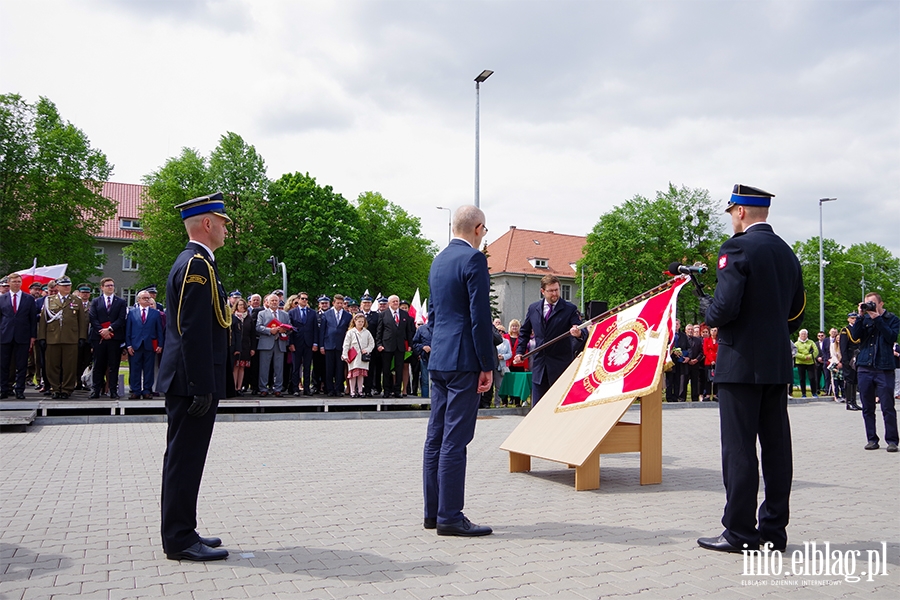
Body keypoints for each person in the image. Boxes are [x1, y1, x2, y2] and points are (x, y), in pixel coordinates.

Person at [697, 184, 805, 554]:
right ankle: (774, 531)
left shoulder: (736, 248)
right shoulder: (788, 254)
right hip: (775, 362)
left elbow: (725, 307)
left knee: (739, 448)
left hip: (739, 362)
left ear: (740, 211)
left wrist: (709, 311)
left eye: (730, 212)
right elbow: (796, 314)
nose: (731, 219)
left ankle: (740, 532)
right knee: (777, 448)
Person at [157, 192, 232, 562]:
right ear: (207, 223)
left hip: (189, 381)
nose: (226, 229)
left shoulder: (199, 262)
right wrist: (202, 385)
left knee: (184, 459)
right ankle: (179, 538)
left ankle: (183, 529)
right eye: (222, 222)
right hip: (191, 383)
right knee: (184, 461)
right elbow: (192, 330)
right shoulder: (196, 265)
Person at [423, 205, 495, 537]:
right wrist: (487, 364)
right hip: (465, 360)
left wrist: (438, 349)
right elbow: (480, 318)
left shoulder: (437, 261)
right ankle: (451, 516)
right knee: (455, 439)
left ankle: (433, 513)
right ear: (478, 228)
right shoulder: (474, 260)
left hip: (439, 358)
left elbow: (434, 316)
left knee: (435, 438)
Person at [513, 274, 586, 405]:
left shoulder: (569, 309)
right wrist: (520, 351)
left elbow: (580, 329)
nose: (555, 294)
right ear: (542, 291)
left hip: (560, 367)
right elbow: (524, 332)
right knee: (538, 408)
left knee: (558, 407)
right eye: (551, 291)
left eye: (557, 290)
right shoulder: (533, 308)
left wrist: (578, 332)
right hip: (540, 367)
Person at [849, 293, 899, 452]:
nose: (869, 306)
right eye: (866, 303)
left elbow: (891, 337)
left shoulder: (892, 319)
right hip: (865, 367)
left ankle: (892, 440)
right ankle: (871, 439)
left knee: (887, 406)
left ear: (881, 303)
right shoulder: (863, 319)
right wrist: (860, 315)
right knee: (867, 406)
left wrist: (877, 318)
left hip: (884, 367)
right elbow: (855, 336)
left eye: (872, 303)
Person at [37, 277, 88, 400]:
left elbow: (82, 321)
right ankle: (55, 388)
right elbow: (44, 321)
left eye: (69, 285)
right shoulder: (49, 301)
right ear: (58, 287)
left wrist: (82, 337)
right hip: (52, 337)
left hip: (71, 338)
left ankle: (66, 389)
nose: (67, 288)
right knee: (52, 365)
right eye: (64, 285)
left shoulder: (76, 300)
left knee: (69, 366)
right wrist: (42, 337)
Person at [0, 273, 38, 400]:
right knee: (4, 364)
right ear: (9, 283)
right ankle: (4, 389)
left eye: (18, 281)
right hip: (5, 335)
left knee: (22, 365)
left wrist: (33, 336)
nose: (17, 284)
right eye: (14, 281)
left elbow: (32, 319)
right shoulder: (2, 298)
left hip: (23, 336)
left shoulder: (28, 299)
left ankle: (20, 390)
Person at [88, 278, 127, 398]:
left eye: (112, 285)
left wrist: (109, 329)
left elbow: (121, 319)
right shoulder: (96, 301)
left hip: (114, 338)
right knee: (98, 364)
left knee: (114, 365)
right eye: (108, 285)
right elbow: (93, 318)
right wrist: (102, 331)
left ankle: (113, 390)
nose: (110, 287)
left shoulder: (121, 302)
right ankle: (96, 389)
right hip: (99, 338)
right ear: (102, 287)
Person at [125, 290, 164, 399]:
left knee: (149, 369)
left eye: (148, 298)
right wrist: (128, 345)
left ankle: (147, 390)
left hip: (149, 345)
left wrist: (160, 344)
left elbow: (159, 330)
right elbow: (128, 330)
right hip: (135, 345)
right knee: (135, 369)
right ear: (139, 300)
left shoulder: (155, 313)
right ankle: (136, 390)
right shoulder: (132, 312)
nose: (147, 300)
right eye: (144, 298)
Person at [376, 295, 415, 399]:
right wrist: (379, 344)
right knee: (386, 369)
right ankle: (387, 391)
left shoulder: (404, 314)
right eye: (393, 301)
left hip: (400, 346)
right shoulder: (383, 315)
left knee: (399, 369)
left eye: (397, 301)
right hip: (387, 345)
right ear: (389, 303)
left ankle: (397, 391)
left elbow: (408, 331)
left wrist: (410, 345)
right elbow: (379, 331)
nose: (396, 303)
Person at [255, 294, 291, 397]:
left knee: (279, 368)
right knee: (264, 367)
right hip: (266, 343)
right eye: (272, 301)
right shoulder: (262, 313)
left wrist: (285, 330)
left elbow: (290, 328)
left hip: (280, 343)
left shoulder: (284, 314)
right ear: (268, 302)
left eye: (276, 301)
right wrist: (270, 330)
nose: (274, 302)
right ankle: (263, 388)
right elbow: (258, 327)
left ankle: (277, 389)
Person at [318, 294, 352, 397]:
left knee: (339, 368)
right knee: (329, 368)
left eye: (342, 303)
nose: (340, 305)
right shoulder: (326, 314)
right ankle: (330, 389)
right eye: (338, 303)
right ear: (333, 303)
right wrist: (321, 346)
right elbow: (322, 331)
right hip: (329, 345)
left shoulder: (348, 315)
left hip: (341, 346)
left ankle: (338, 389)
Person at [288, 292, 318, 396]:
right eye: (302, 299)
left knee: (307, 366)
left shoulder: (312, 313)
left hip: (308, 343)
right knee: (296, 367)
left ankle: (306, 388)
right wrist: (290, 343)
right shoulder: (292, 312)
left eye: (306, 299)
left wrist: (315, 343)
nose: (304, 300)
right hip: (296, 343)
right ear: (298, 300)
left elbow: (315, 329)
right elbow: (290, 329)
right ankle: (295, 388)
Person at [342, 313, 375, 398]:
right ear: (355, 322)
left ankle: (360, 391)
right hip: (353, 356)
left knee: (361, 374)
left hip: (362, 357)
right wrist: (345, 354)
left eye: (362, 322)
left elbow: (372, 343)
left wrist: (367, 350)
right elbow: (346, 344)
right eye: (359, 321)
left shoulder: (367, 332)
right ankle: (352, 391)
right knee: (353, 374)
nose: (360, 323)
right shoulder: (350, 332)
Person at [839, 313, 862, 411]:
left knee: (855, 380)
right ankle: (849, 402)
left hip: (857, 355)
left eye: (855, 318)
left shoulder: (858, 329)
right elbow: (843, 346)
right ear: (848, 319)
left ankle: (854, 401)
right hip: (849, 356)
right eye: (852, 318)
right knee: (849, 380)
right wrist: (845, 360)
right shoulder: (845, 330)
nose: (854, 320)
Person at [231, 298, 253, 396]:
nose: (242, 307)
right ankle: (233, 387)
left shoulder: (249, 318)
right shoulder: (232, 318)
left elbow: (252, 334)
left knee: (242, 367)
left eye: (243, 305)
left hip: (245, 346)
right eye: (240, 305)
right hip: (235, 345)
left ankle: (239, 387)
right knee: (235, 367)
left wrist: (252, 348)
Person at [666, 319, 688, 401]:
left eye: (677, 324)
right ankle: (669, 396)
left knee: (677, 379)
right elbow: (665, 346)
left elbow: (688, 347)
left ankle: (676, 396)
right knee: (669, 379)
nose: (676, 326)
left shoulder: (683, 336)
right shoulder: (668, 335)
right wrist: (673, 351)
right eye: (674, 324)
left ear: (680, 325)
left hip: (680, 360)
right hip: (671, 360)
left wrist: (687, 356)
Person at [794, 329, 818, 398]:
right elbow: (795, 352)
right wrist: (804, 357)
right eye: (802, 334)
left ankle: (814, 392)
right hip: (800, 363)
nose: (803, 335)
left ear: (807, 335)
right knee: (802, 379)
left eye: (805, 334)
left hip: (810, 363)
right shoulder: (796, 343)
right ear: (799, 335)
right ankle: (803, 393)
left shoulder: (811, 342)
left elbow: (816, 351)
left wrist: (810, 356)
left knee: (812, 378)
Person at [412, 320, 432, 399]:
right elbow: (414, 343)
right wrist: (423, 347)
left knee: (437, 383)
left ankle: (436, 404)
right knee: (425, 381)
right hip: (425, 358)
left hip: (438, 360)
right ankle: (425, 403)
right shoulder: (421, 329)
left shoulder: (441, 328)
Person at [702, 327, 719, 401]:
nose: (713, 332)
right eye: (712, 330)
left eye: (715, 330)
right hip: (708, 362)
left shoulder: (719, 340)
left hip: (717, 362)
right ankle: (708, 394)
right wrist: (711, 360)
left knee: (716, 379)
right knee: (708, 378)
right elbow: (706, 352)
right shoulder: (706, 340)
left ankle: (715, 395)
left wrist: (716, 360)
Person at [815, 331, 831, 397]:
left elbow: (828, 352)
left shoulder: (828, 343)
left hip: (826, 361)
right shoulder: (815, 344)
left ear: (824, 336)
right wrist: (817, 358)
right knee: (817, 377)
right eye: (819, 336)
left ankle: (827, 389)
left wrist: (823, 358)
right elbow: (813, 351)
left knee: (827, 376)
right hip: (818, 363)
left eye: (822, 335)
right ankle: (817, 389)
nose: (820, 337)